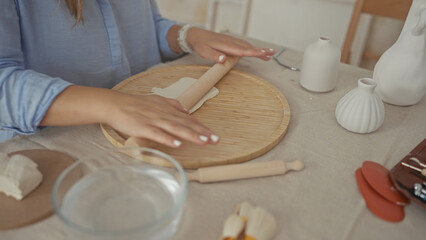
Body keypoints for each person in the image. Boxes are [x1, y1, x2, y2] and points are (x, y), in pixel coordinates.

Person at [0, 0, 274, 147]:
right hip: (48, 145)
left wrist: (186, 35)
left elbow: (143, 28)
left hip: (139, 117)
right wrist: (110, 105)